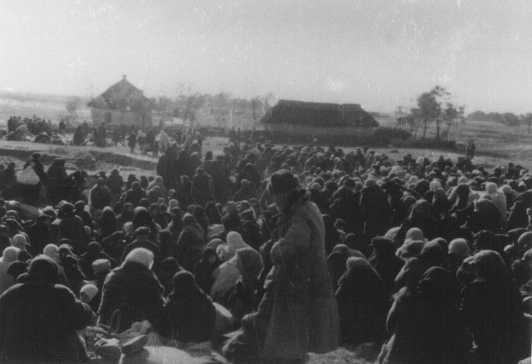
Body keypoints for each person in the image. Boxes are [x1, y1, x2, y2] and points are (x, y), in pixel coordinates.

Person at [254, 169, 339, 363]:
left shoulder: (300, 214)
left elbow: (292, 245)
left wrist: (274, 247)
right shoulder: (309, 207)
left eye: (275, 196)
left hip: (297, 278)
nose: (274, 202)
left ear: (283, 194)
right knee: (293, 330)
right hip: (307, 276)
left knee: (287, 331)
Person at [0, 255, 94, 362]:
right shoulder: (61, 292)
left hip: (18, 354)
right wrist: (86, 307)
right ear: (53, 274)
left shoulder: (12, 293)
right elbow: (80, 320)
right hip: (55, 355)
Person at [98, 248, 164, 332]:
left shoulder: (113, 275)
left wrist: (101, 321)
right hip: (137, 325)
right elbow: (157, 304)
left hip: (111, 322)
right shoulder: (149, 278)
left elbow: (105, 302)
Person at [157, 271, 216, 344]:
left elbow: (166, 322)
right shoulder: (205, 299)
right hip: (204, 340)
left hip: (183, 342)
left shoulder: (174, 302)